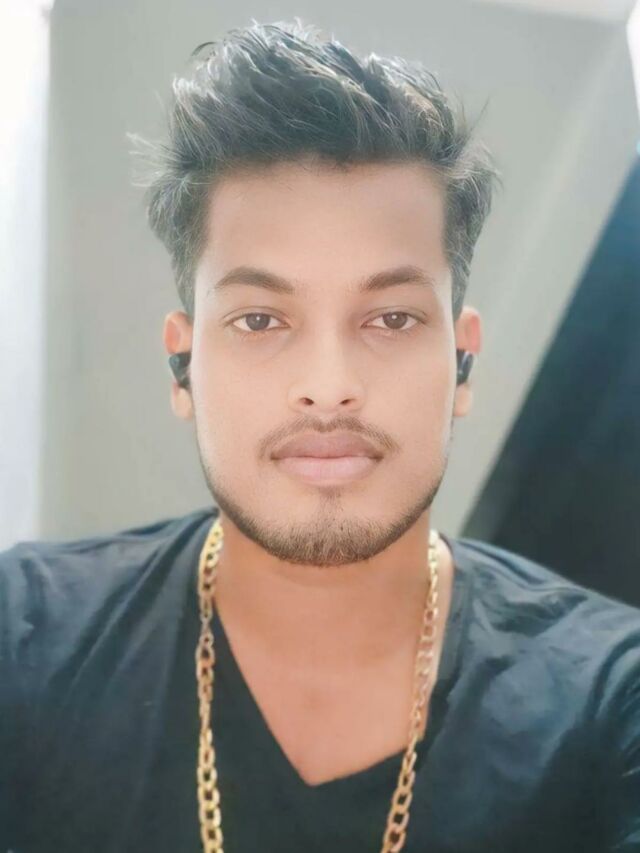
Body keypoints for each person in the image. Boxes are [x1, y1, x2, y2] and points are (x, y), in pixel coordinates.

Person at [1, 17, 638, 853]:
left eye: (392, 317)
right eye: (261, 319)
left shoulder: (609, 701)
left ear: (464, 361)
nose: (329, 383)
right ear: (183, 366)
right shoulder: (23, 635)